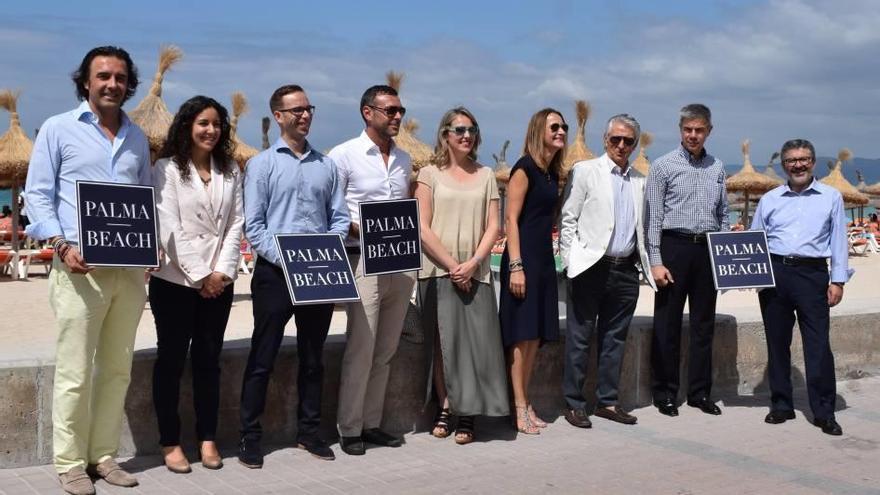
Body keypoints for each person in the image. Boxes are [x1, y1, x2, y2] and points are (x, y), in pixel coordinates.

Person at [24, 46, 150, 495]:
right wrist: (60, 244)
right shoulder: (58, 129)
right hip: (80, 270)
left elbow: (146, 199)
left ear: (128, 83)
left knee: (117, 369)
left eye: (119, 77)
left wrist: (149, 248)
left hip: (130, 272)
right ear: (86, 82)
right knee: (76, 371)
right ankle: (70, 462)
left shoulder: (137, 137)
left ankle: (104, 455)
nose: (112, 84)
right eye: (103, 76)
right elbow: (37, 196)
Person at [238, 84, 349, 466]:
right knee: (262, 357)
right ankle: (250, 437)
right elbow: (254, 226)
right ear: (279, 116)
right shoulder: (261, 165)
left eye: (309, 108)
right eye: (297, 109)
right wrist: (290, 260)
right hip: (275, 273)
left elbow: (339, 217)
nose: (305, 115)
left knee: (314, 358)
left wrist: (322, 254)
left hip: (320, 272)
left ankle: (309, 431)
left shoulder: (327, 165)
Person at [150, 96, 244, 472]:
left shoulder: (232, 169)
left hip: (219, 284)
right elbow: (167, 226)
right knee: (170, 361)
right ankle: (169, 441)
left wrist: (220, 273)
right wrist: (201, 274)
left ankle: (208, 438)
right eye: (203, 122)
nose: (210, 130)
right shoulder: (166, 168)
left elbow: (237, 223)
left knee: (209, 362)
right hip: (174, 281)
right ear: (187, 125)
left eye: (217, 124)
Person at [328, 85, 415, 456]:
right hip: (361, 259)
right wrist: (364, 229)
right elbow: (332, 211)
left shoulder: (405, 159)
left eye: (400, 110)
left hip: (399, 260)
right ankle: (349, 428)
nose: (397, 116)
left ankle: (371, 423)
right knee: (362, 348)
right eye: (390, 110)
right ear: (368, 112)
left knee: (386, 349)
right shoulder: (343, 155)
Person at [414, 107, 508, 445]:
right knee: (443, 346)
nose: (466, 135)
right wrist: (454, 265)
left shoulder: (486, 175)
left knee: (475, 345)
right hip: (437, 272)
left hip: (477, 272)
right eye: (459, 130)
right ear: (445, 135)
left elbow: (495, 225)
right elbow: (422, 228)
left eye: (471, 129)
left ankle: (468, 411)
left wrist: (473, 263)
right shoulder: (428, 174)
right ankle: (446, 405)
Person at [559, 114, 657, 428]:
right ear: (605, 140)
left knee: (615, 338)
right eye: (615, 138)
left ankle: (608, 402)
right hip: (590, 268)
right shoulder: (586, 171)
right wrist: (570, 261)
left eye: (628, 140)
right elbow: (568, 219)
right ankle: (574, 403)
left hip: (626, 270)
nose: (621, 145)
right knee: (580, 336)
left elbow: (644, 227)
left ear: (635, 144)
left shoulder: (641, 181)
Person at [751, 139, 848, 436]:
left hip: (813, 275)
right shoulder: (770, 199)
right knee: (777, 343)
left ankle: (824, 411)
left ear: (813, 162)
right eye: (792, 160)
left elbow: (839, 241)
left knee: (818, 346)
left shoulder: (831, 197)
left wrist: (838, 280)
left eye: (804, 159)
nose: (798, 165)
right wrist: (749, 276)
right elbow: (754, 240)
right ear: (784, 165)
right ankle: (781, 405)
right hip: (775, 274)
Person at [645, 103, 729, 417]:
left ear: (709, 131)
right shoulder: (662, 166)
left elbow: (723, 214)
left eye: (699, 130)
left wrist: (723, 256)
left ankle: (699, 393)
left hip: (707, 250)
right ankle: (665, 393)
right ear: (681, 130)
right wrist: (656, 260)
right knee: (666, 325)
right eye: (688, 130)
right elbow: (652, 218)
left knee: (703, 325)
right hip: (673, 247)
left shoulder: (718, 167)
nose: (693, 135)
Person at [499, 108, 567, 434]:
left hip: (543, 262)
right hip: (522, 260)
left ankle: (526, 402)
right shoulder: (524, 168)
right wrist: (515, 266)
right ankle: (518, 407)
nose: (561, 131)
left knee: (535, 338)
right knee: (520, 336)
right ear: (539, 129)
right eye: (555, 126)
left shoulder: (552, 173)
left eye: (563, 127)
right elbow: (510, 219)